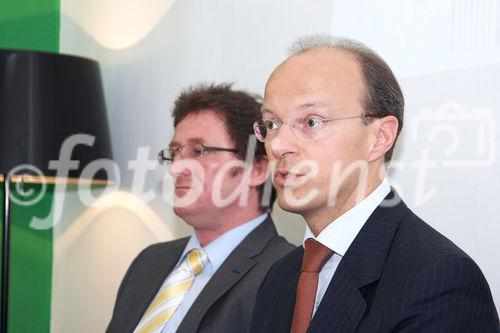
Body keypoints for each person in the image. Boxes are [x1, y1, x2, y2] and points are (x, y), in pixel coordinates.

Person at [251, 36, 499, 333]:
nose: (279, 145)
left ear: (380, 138)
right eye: (272, 124)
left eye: (311, 122)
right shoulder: (280, 277)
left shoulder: (439, 280)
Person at [107, 83, 293, 333]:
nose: (177, 168)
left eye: (199, 151)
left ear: (257, 170)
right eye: (174, 153)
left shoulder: (286, 274)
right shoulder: (149, 262)